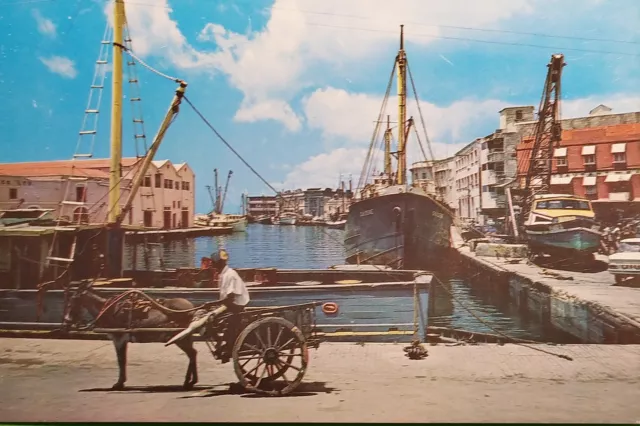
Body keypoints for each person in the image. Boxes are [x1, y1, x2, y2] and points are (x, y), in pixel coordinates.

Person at [209, 248, 250, 362]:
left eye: (214, 263)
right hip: (230, 304)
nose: (212, 265)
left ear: (219, 263)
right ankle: (223, 344)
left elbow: (230, 296)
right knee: (212, 319)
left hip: (236, 305)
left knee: (229, 323)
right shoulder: (223, 274)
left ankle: (228, 348)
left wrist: (217, 305)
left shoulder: (230, 274)